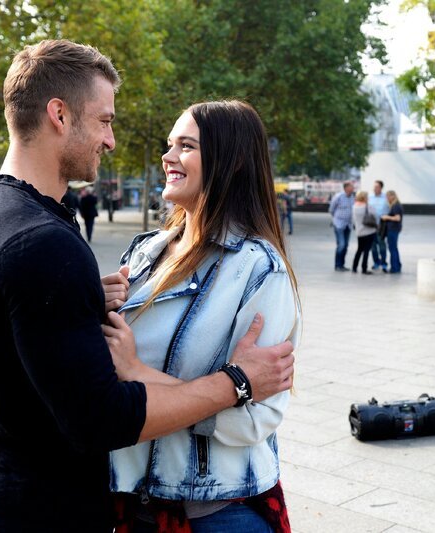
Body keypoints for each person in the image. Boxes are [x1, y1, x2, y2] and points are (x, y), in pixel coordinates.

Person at [0, 39, 294, 532]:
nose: (112, 140)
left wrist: (81, 309)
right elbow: (100, 417)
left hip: (195, 509)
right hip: (46, 510)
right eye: (105, 120)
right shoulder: (43, 241)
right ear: (60, 115)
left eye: (186, 145)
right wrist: (235, 383)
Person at [103, 100, 301, 532]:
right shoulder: (145, 253)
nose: (168, 157)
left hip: (218, 513)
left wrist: (138, 372)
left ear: (228, 162)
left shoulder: (259, 269)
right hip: (134, 505)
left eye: (186, 146)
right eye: (170, 144)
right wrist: (92, 309)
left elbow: (254, 418)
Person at [329, 181, 355, 271]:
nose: (353, 189)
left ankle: (342, 265)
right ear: (346, 188)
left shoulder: (352, 197)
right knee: (341, 245)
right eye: (352, 187)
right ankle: (337, 265)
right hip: (339, 224)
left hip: (348, 225)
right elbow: (331, 209)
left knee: (346, 245)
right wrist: (336, 219)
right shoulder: (338, 197)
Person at [351, 190, 377, 274]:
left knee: (359, 249)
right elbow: (375, 214)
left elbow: (354, 219)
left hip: (359, 232)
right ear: (364, 197)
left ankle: (354, 267)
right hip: (369, 231)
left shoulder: (354, 206)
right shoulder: (368, 206)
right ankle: (364, 268)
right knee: (366, 250)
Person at [368, 180, 389, 272]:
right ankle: (376, 262)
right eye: (374, 186)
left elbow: (390, 210)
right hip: (371, 225)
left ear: (381, 187)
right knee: (372, 245)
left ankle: (384, 263)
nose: (374, 188)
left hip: (382, 225)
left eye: (376, 186)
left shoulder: (386, 198)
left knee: (382, 244)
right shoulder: (369, 197)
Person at [381, 190, 403, 274]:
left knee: (392, 249)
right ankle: (397, 265)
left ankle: (394, 267)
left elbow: (397, 218)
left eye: (388, 197)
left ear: (393, 196)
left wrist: (387, 217)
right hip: (394, 229)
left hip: (393, 229)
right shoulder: (396, 205)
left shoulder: (396, 206)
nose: (387, 199)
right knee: (394, 248)